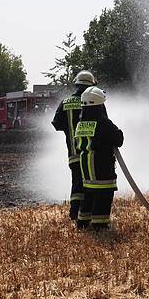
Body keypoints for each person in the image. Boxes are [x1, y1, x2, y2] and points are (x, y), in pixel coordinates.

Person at [73, 86, 124, 232]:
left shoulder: (80, 123)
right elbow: (118, 139)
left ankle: (82, 222)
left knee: (88, 195)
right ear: (100, 105)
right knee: (103, 196)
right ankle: (100, 225)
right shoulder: (103, 123)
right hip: (101, 164)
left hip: (86, 165)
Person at [52, 70, 97, 222]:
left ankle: (74, 212)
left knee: (77, 182)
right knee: (91, 183)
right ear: (91, 86)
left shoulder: (65, 103)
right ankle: (89, 212)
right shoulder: (94, 102)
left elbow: (56, 124)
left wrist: (70, 127)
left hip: (73, 153)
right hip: (91, 153)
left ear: (77, 85)